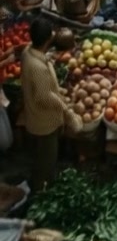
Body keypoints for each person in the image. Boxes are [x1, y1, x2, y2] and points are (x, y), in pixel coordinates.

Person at [21, 17, 80, 191]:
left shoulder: (28, 52)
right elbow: (44, 97)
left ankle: (43, 182)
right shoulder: (37, 67)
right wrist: (68, 113)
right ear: (48, 39)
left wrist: (57, 89)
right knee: (46, 161)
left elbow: (42, 88)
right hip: (44, 123)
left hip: (37, 116)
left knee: (42, 156)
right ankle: (41, 191)